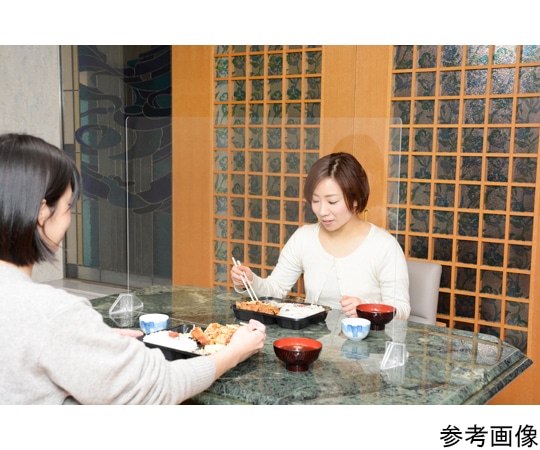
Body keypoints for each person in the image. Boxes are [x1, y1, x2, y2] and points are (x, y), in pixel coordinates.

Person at [0, 133, 266, 405]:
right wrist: (234, 352)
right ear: (42, 212)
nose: (69, 219)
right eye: (68, 206)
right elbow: (159, 387)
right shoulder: (53, 314)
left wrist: (89, 342)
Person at [231, 152, 410, 320]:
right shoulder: (304, 237)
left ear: (355, 199)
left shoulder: (384, 246)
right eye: (316, 201)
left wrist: (366, 308)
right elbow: (276, 289)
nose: (322, 211)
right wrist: (249, 282)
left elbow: (402, 309)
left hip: (367, 341)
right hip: (312, 340)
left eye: (332, 201)